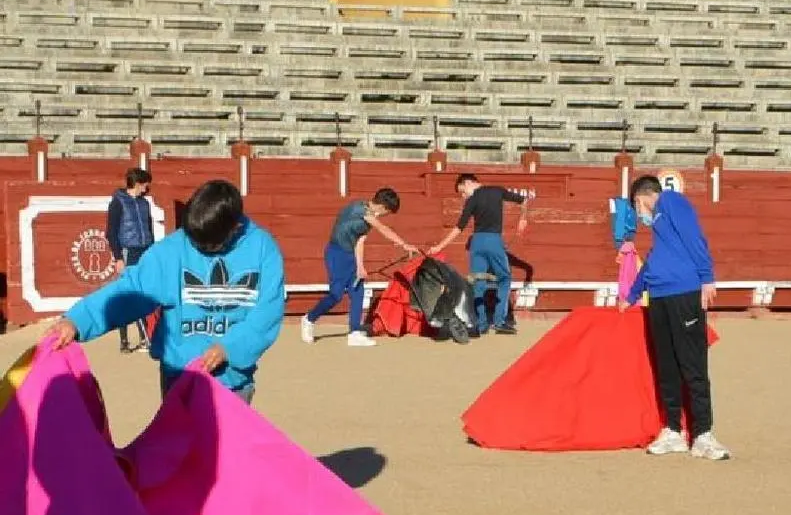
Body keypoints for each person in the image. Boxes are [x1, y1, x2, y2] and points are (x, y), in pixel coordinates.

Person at [45, 179, 286, 404]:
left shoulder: (262, 249)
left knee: (226, 449)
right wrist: (77, 320)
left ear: (235, 228)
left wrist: (230, 347)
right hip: (179, 376)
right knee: (177, 449)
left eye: (208, 245)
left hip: (233, 382)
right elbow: (131, 290)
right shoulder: (172, 250)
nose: (199, 248)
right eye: (194, 241)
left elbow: (267, 313)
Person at [618, 176, 730, 461]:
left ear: (642, 197)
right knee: (666, 366)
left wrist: (707, 278)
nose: (638, 213)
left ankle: (703, 432)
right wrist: (631, 295)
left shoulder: (671, 201)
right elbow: (654, 261)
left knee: (692, 364)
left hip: (684, 293)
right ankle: (673, 430)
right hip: (659, 297)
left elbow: (695, 237)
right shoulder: (659, 228)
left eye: (636, 206)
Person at [301, 188, 417, 348]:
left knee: (358, 291)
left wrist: (360, 266)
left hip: (350, 255)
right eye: (388, 212)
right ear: (383, 207)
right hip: (337, 253)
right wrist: (404, 244)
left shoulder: (369, 217)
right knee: (336, 295)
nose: (385, 216)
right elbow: (383, 229)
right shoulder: (359, 209)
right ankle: (308, 319)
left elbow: (359, 242)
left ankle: (354, 332)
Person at [429, 174, 532, 336]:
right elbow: (524, 200)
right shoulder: (497, 191)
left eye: (462, 191)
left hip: (477, 243)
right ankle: (499, 321)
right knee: (504, 278)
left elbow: (459, 227)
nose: (463, 196)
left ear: (468, 182)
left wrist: (439, 246)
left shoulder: (472, 199)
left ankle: (480, 324)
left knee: (478, 283)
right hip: (493, 241)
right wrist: (523, 219)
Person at [106, 167, 155, 353]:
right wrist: (118, 258)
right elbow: (111, 232)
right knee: (127, 294)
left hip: (144, 250)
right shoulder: (118, 202)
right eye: (145, 184)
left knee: (142, 293)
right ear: (137, 183)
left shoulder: (144, 203)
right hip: (128, 252)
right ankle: (125, 341)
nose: (147, 187)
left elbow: (149, 229)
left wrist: (152, 253)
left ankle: (145, 338)